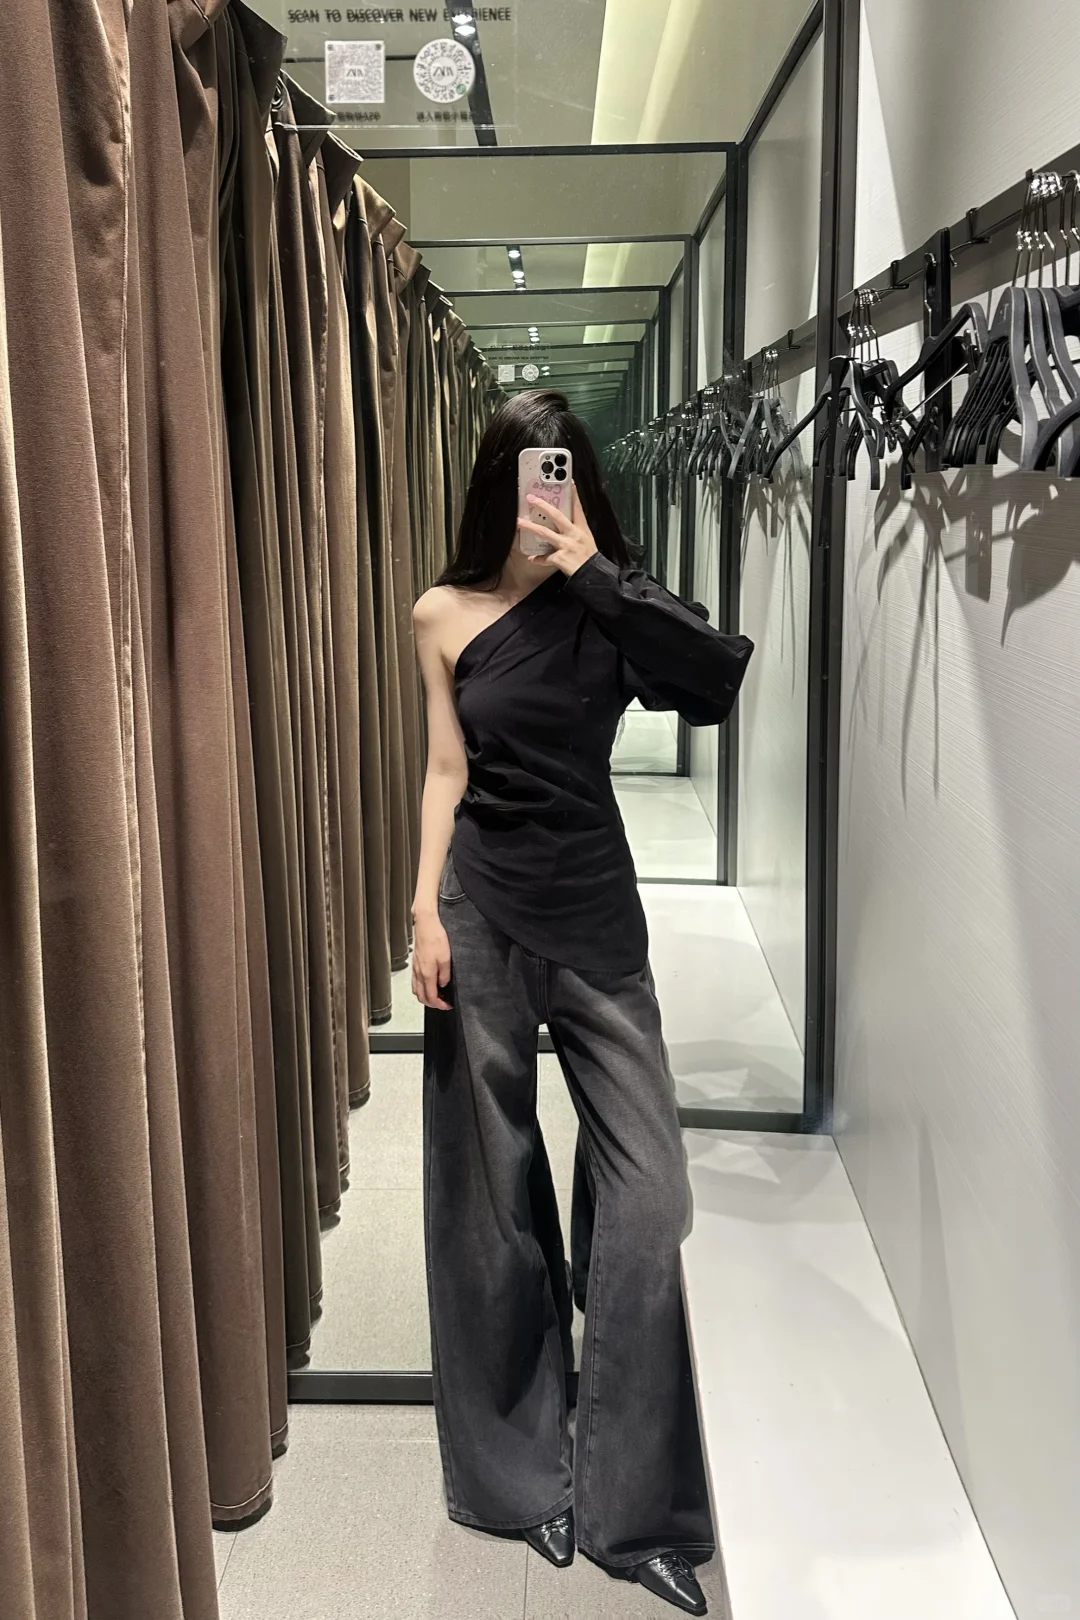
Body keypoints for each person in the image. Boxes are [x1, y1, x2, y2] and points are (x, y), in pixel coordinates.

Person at [410, 391, 752, 1617]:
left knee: (650, 1198)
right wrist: (421, 908)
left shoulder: (610, 602)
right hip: (482, 914)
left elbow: (712, 680)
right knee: (491, 1200)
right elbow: (446, 768)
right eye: (516, 474)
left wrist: (598, 572)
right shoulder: (441, 613)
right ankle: (519, 1477)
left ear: (576, 483)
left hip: (597, 914)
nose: (533, 496)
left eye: (550, 473)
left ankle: (634, 1505)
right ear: (490, 485)